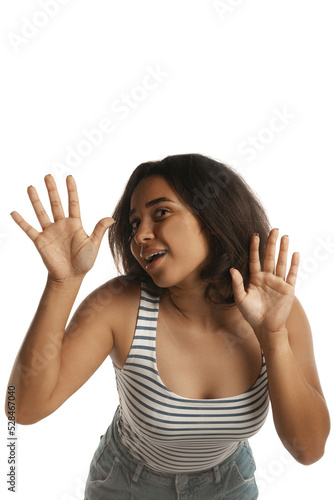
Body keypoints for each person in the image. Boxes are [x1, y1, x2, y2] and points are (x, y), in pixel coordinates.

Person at [5, 154, 330, 499]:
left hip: (230, 482)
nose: (141, 235)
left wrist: (273, 337)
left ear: (214, 218)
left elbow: (308, 450)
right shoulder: (120, 305)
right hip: (125, 483)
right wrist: (63, 283)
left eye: (161, 213)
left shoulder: (277, 311)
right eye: (134, 223)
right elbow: (20, 409)